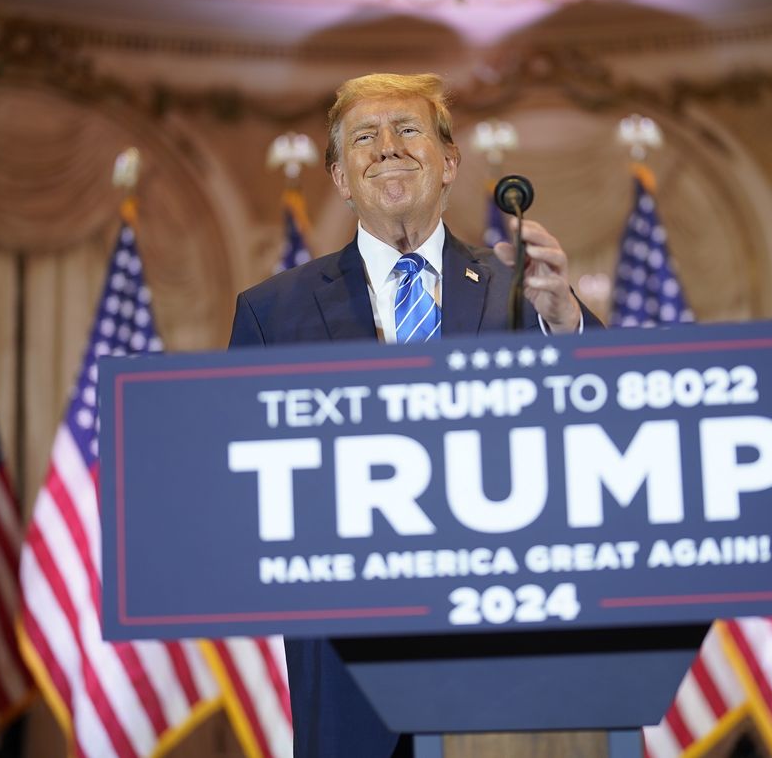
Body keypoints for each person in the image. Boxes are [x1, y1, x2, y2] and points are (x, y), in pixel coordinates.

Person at [229, 72, 600, 757]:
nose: (387, 148)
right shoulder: (271, 313)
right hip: (349, 676)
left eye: (408, 130)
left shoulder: (524, 289)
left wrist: (567, 323)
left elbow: (608, 420)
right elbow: (242, 487)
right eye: (364, 138)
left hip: (504, 667)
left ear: (449, 161)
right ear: (340, 176)